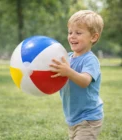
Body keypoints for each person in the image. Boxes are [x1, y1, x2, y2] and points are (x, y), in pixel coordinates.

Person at [49, 10, 104, 140]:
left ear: (93, 37)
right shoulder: (66, 58)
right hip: (73, 118)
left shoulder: (90, 60)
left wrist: (68, 72)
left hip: (88, 118)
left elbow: (85, 81)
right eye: (70, 32)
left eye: (78, 33)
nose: (72, 36)